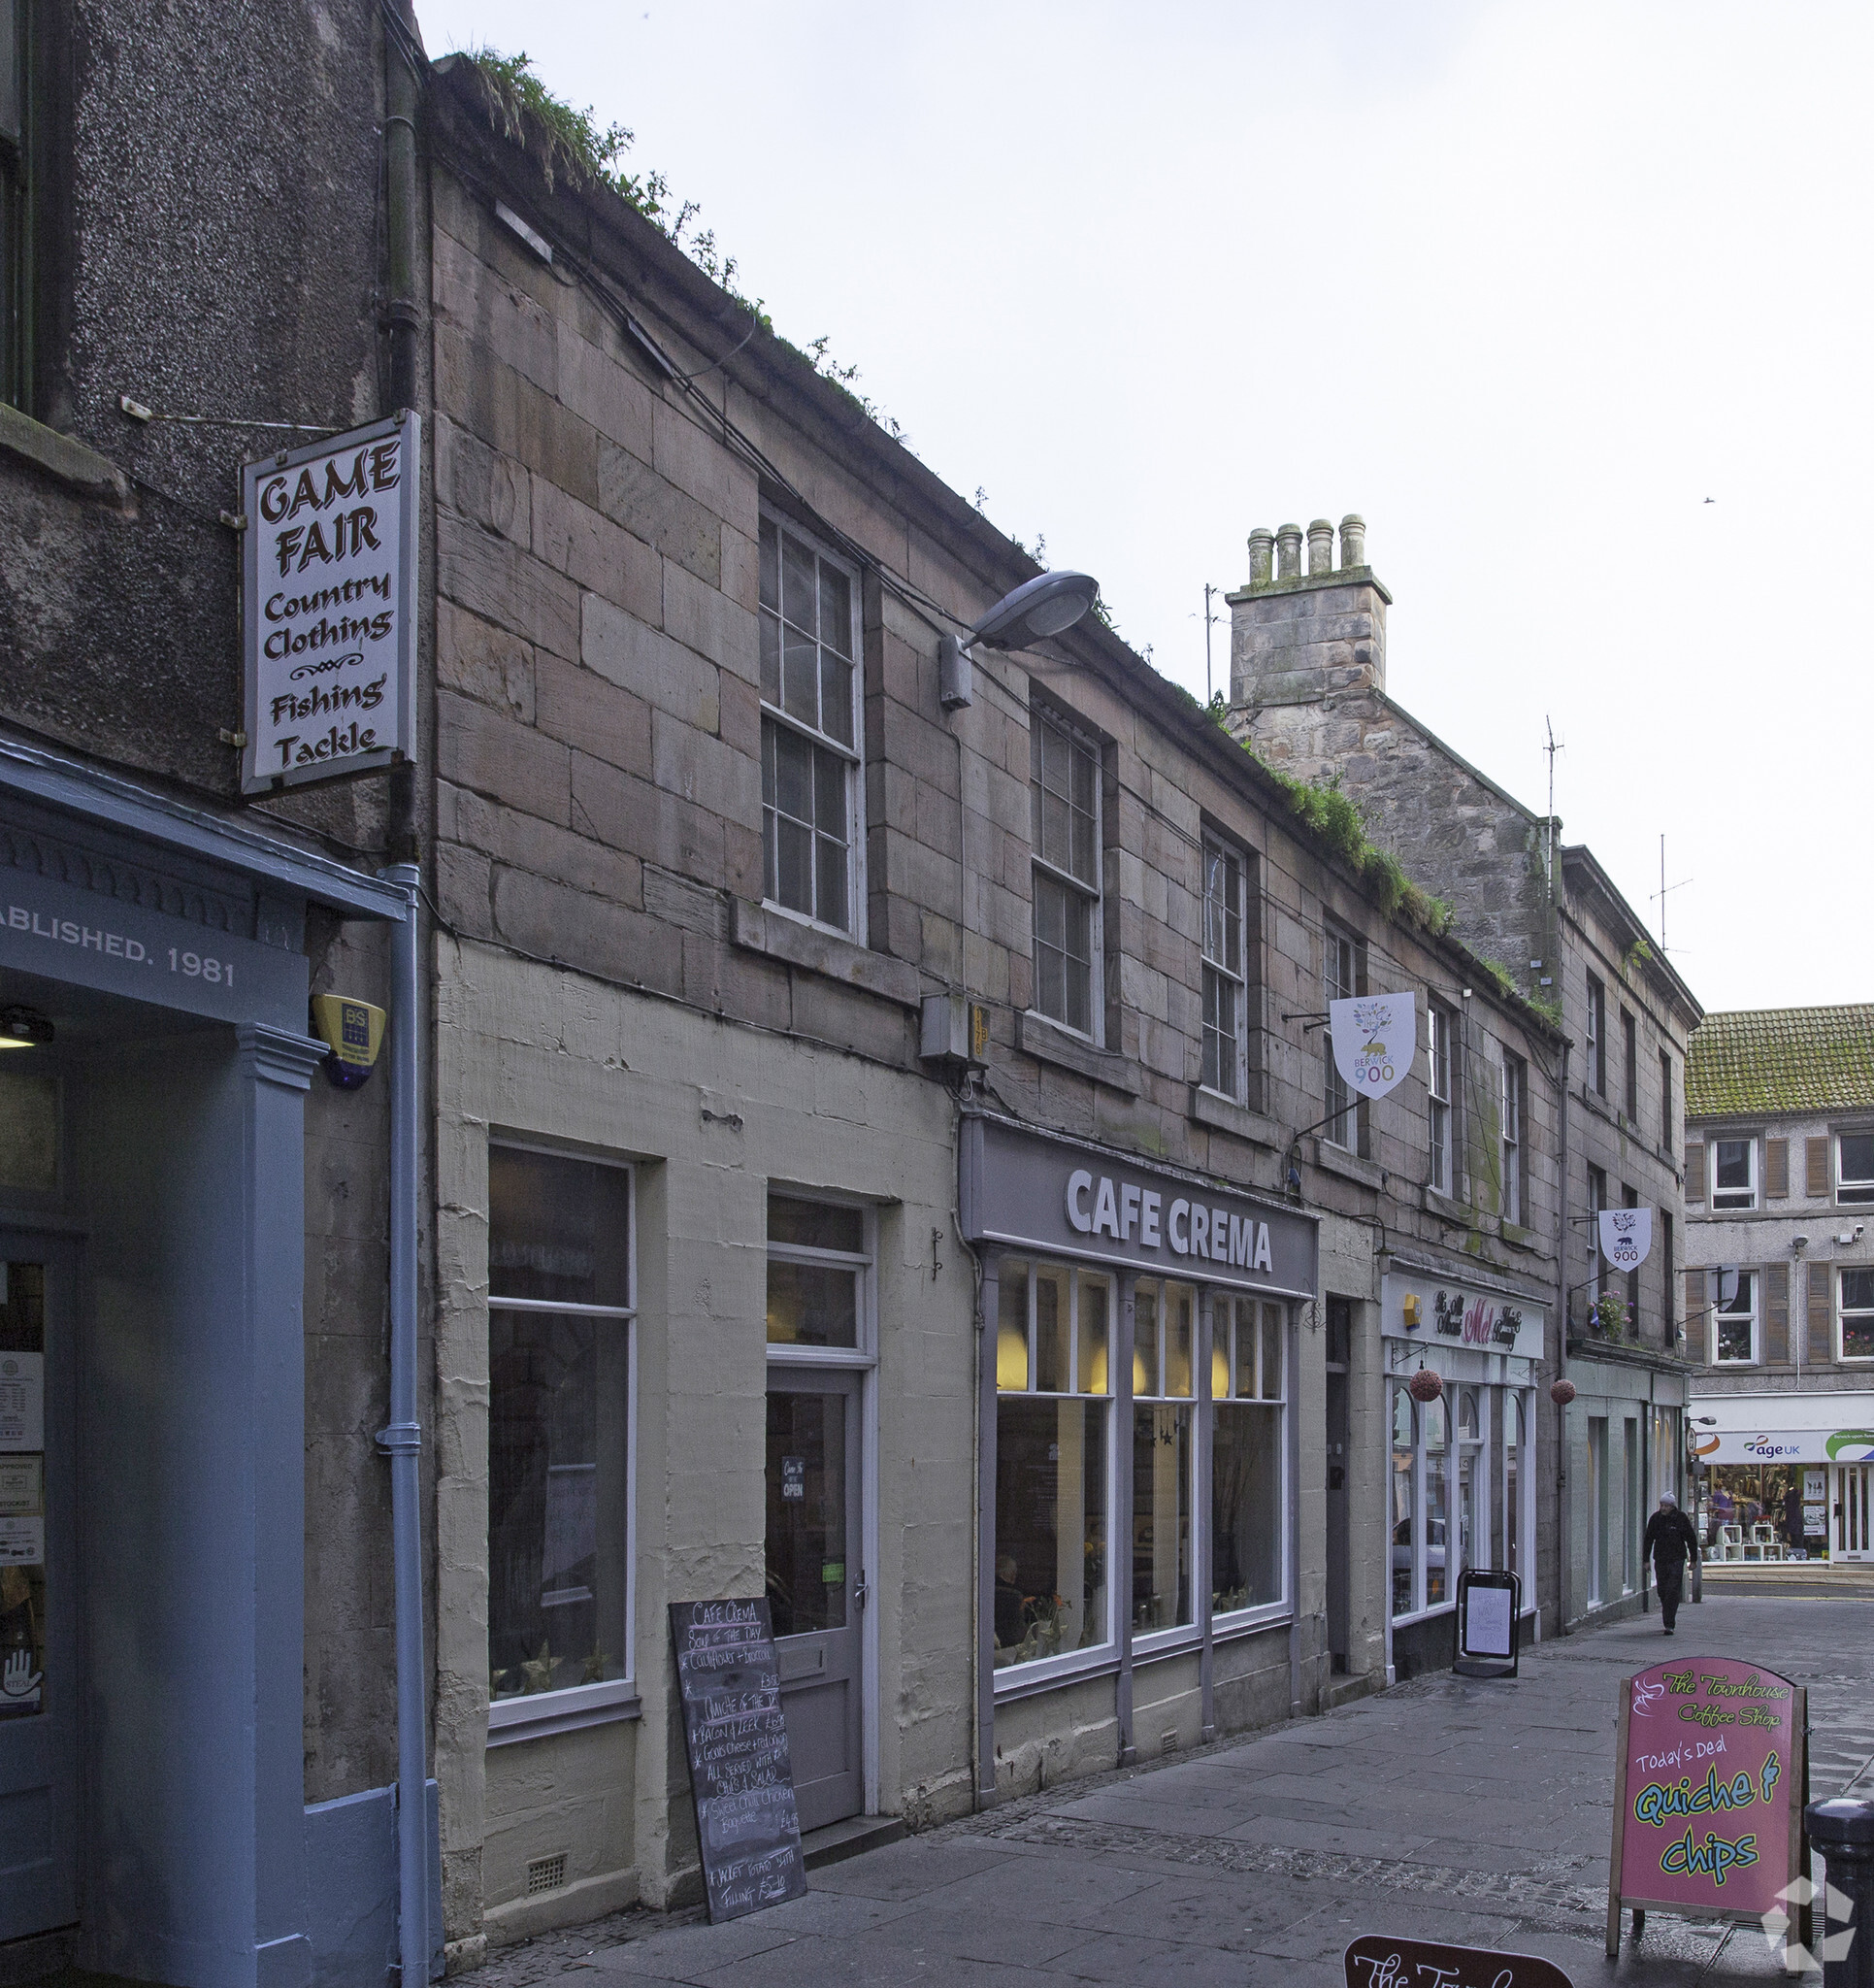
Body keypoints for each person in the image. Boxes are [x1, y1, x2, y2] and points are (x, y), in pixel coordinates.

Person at [1643, 1493, 1701, 1634]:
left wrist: (1693, 1560)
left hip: (1676, 1559)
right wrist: (1646, 1560)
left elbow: (1691, 1539)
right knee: (1662, 1590)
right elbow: (1648, 1540)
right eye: (1661, 1505)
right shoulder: (1656, 1519)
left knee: (1672, 1590)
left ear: (1672, 1506)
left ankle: (1669, 1623)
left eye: (1666, 1506)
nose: (1663, 1508)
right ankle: (1667, 1613)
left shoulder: (1680, 1519)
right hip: (1661, 1559)